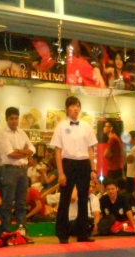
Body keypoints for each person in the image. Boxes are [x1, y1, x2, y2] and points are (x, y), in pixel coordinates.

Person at [51, 96, 97, 244]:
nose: (75, 108)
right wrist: (61, 173)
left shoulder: (86, 126)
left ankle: (82, 233)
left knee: (83, 199)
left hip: (84, 164)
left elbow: (91, 150)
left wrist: (93, 169)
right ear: (67, 109)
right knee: (64, 200)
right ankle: (63, 235)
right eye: (72, 106)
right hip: (68, 163)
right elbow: (58, 152)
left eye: (77, 106)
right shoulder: (60, 127)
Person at [2, 106, 36, 235]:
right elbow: (10, 154)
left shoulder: (22, 133)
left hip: (23, 170)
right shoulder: (3, 134)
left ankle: (22, 230)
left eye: (16, 118)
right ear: (6, 119)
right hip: (9, 170)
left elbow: (33, 149)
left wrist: (18, 151)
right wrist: (25, 152)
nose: (14, 121)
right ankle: (6, 231)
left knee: (22, 202)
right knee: (8, 202)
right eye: (11, 118)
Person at [101, 120, 125, 185]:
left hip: (114, 168)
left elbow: (105, 154)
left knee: (111, 186)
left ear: (111, 128)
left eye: (105, 126)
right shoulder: (115, 137)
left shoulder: (112, 138)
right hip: (117, 167)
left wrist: (108, 155)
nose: (103, 128)